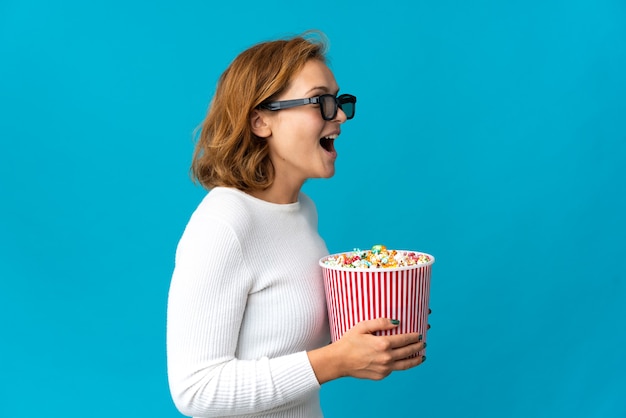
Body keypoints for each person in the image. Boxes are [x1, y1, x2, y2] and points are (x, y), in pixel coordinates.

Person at [166, 31, 427, 418]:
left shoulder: (302, 210)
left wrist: (389, 316)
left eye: (338, 101)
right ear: (260, 121)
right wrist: (336, 362)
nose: (338, 114)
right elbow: (196, 390)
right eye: (321, 100)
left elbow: (287, 338)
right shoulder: (224, 224)